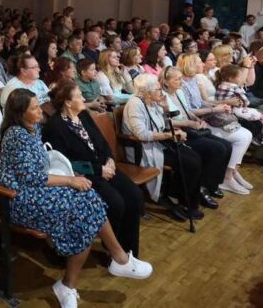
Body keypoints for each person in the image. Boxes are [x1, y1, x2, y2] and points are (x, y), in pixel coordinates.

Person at [0, 89, 152, 308]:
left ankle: (108, 264)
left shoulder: (33, 129)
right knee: (83, 211)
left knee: (88, 198)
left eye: (37, 105)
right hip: (21, 197)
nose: (40, 110)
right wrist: (69, 181)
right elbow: (32, 178)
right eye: (33, 108)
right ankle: (108, 264)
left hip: (39, 189)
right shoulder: (16, 135)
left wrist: (71, 176)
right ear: (19, 113)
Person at [43, 82, 145, 258]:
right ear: (68, 102)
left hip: (105, 165)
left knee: (135, 196)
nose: (83, 98)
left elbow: (101, 140)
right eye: (79, 95)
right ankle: (113, 249)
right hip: (86, 174)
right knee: (116, 203)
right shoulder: (54, 126)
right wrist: (99, 170)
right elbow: (67, 163)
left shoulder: (83, 115)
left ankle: (130, 251)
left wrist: (110, 159)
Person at [121, 74, 205, 221]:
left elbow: (163, 124)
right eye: (158, 89)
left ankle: (181, 197)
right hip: (143, 149)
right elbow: (141, 135)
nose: (161, 92)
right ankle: (183, 201)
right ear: (147, 92)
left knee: (195, 157)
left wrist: (165, 109)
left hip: (158, 143)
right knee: (189, 163)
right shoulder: (135, 104)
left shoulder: (152, 101)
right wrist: (169, 136)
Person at [158, 67, 238, 202]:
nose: (181, 82)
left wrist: (197, 120)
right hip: (180, 132)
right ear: (166, 82)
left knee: (226, 146)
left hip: (191, 128)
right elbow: (168, 122)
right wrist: (191, 123)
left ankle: (213, 184)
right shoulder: (162, 97)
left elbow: (187, 111)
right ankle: (202, 187)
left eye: (181, 79)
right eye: (177, 79)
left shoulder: (179, 92)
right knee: (216, 148)